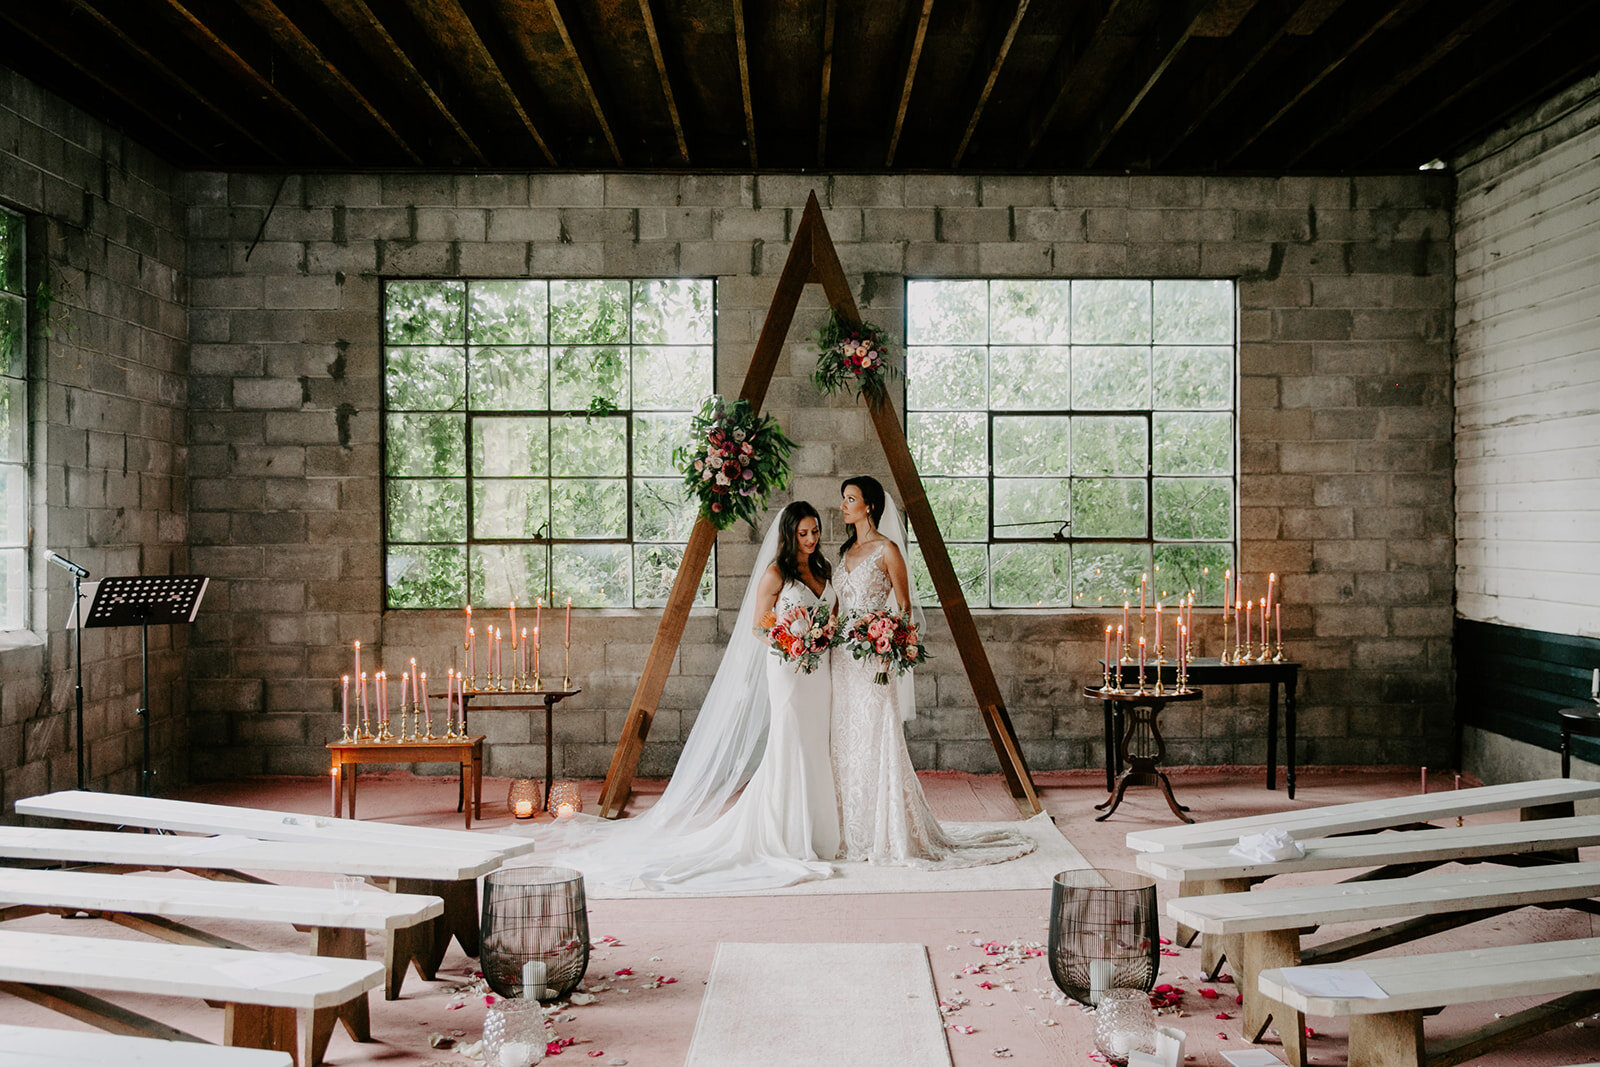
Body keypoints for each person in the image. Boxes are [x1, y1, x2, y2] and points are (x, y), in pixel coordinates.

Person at [538, 501, 840, 892]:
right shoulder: (775, 574)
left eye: (815, 531)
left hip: (820, 672)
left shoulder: (821, 569)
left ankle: (818, 831)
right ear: (788, 535)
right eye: (803, 533)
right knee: (792, 743)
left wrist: (822, 636)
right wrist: (791, 642)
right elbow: (757, 629)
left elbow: (831, 615)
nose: (812, 539)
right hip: (789, 669)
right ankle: (786, 831)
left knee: (816, 744)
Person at [830, 475, 1036, 868]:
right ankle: (850, 830)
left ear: (869, 505)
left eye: (850, 499)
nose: (843, 505)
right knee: (845, 741)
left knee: (876, 738)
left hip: (874, 661)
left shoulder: (887, 551)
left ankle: (887, 832)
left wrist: (885, 642)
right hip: (842, 661)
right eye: (843, 499)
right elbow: (839, 607)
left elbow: (904, 609)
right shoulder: (845, 553)